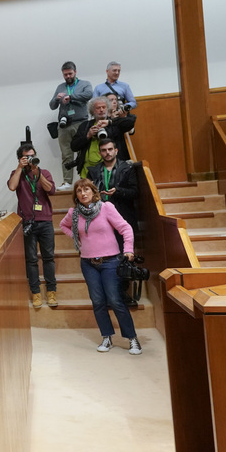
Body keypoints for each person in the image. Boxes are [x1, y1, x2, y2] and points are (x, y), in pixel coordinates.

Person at [59, 178, 141, 355]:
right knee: (97, 302)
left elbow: (126, 228)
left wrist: (128, 249)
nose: (83, 193)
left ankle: (132, 339)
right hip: (88, 263)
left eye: (86, 189)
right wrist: (77, 240)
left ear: (94, 192)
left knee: (115, 300)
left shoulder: (106, 208)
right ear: (76, 195)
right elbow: (63, 226)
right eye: (79, 191)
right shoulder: (73, 213)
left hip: (110, 262)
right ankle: (107, 337)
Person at [87, 138, 139, 306]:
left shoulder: (127, 168)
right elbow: (86, 195)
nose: (107, 153)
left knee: (123, 259)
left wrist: (118, 192)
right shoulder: (93, 171)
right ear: (100, 152)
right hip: (100, 221)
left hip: (123, 217)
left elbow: (135, 192)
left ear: (116, 150)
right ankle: (108, 296)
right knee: (106, 259)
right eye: (104, 150)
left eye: (110, 149)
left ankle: (122, 295)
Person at [7, 143, 58, 308]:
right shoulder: (17, 174)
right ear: (20, 158)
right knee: (31, 260)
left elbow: (51, 190)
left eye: (32, 156)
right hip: (27, 222)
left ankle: (51, 292)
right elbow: (12, 186)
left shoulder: (44, 172)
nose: (30, 159)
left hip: (45, 221)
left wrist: (39, 173)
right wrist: (19, 168)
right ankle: (36, 293)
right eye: (26, 157)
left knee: (49, 258)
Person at [49, 61, 93, 190]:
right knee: (66, 154)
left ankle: (84, 181)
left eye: (70, 73)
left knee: (83, 152)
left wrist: (71, 97)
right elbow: (52, 106)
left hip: (81, 122)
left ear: (75, 72)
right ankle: (67, 182)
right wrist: (57, 98)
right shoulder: (60, 87)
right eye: (65, 74)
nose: (68, 76)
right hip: (64, 125)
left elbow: (89, 95)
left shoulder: (85, 84)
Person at [70, 96, 136, 177]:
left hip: (113, 171)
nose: (101, 110)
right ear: (92, 111)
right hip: (88, 171)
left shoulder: (114, 124)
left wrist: (110, 122)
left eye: (104, 107)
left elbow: (131, 121)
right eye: (98, 108)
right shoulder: (85, 126)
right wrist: (88, 135)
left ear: (108, 109)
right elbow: (73, 146)